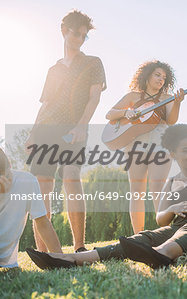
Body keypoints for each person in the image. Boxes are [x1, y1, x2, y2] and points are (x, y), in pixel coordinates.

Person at [26, 124, 187, 270]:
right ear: (172, 154)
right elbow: (161, 218)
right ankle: (71, 258)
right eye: (186, 150)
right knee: (144, 237)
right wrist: (172, 209)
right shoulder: (173, 181)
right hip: (177, 224)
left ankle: (162, 254)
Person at [25, 10, 106, 252]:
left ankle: (79, 246)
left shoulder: (93, 63)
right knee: (42, 188)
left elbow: (94, 98)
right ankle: (44, 251)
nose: (79, 39)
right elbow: (46, 104)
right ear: (64, 31)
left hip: (73, 129)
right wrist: (32, 133)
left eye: (84, 36)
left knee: (71, 176)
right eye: (76, 33)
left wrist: (82, 124)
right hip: (45, 131)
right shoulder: (53, 70)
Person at [106, 60, 185, 234]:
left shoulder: (167, 98)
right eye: (157, 75)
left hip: (160, 145)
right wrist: (126, 112)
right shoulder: (133, 96)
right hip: (135, 146)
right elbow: (110, 114)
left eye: (164, 77)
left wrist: (177, 102)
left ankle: (165, 233)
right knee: (136, 191)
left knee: (157, 186)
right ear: (147, 75)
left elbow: (172, 121)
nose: (161, 80)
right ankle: (138, 236)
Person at [0, 148, 62, 268]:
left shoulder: (26, 181)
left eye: (7, 175)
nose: (5, 182)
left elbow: (42, 222)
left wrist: (60, 257)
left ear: (10, 165)